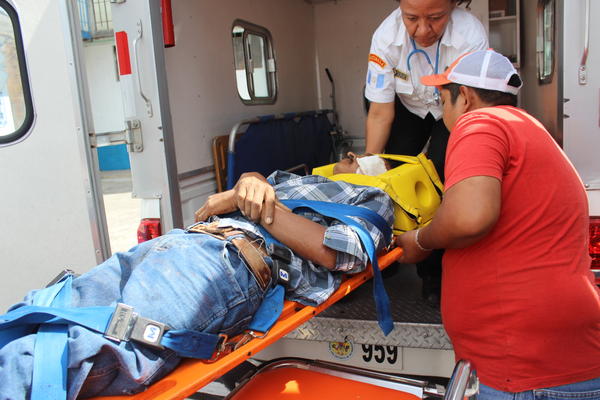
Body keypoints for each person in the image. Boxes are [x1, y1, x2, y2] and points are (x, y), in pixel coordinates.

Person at [0, 170, 393, 399]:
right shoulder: (291, 178)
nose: (350, 159)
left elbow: (337, 253)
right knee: (43, 313)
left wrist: (249, 202)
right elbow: (251, 188)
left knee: (63, 357)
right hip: (180, 242)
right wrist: (248, 183)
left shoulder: (374, 197)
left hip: (230, 261)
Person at [396, 49, 600, 399]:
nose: (443, 111)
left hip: (527, 371)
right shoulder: (529, 127)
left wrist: (421, 240)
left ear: (466, 97)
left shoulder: (480, 123)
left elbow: (469, 216)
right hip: (546, 362)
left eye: (443, 99)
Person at [365, 0, 488, 304]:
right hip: (405, 110)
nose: (422, 30)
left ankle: (433, 273)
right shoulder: (385, 38)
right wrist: (368, 168)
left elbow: (470, 106)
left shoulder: (470, 35)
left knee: (441, 182)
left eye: (435, 18)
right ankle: (387, 256)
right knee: (390, 177)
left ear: (452, 7)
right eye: (411, 18)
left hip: (454, 107)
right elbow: (380, 112)